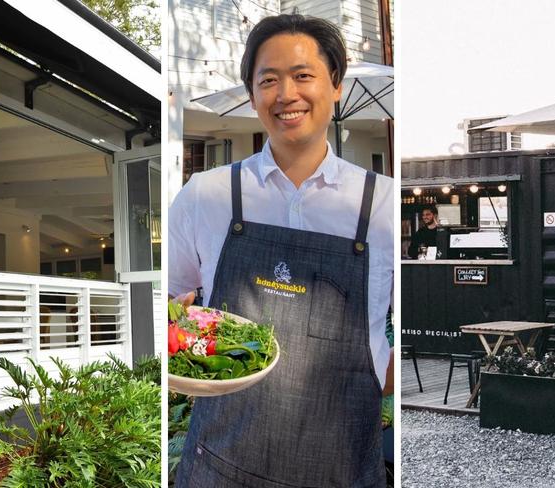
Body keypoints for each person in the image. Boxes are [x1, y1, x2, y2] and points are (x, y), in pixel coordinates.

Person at [169, 14, 393, 487]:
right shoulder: (206, 194)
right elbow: (168, 303)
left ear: (335, 84)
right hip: (219, 467)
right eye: (268, 80)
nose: (286, 94)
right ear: (253, 95)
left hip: (343, 468)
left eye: (303, 75)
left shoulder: (384, 204)